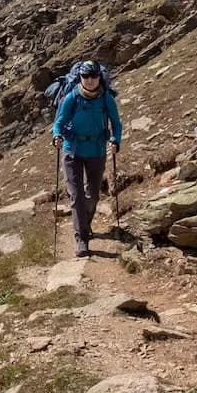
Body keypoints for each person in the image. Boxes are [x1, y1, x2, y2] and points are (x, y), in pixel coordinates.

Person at [52, 62, 123, 258]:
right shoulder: (72, 97)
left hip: (96, 150)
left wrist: (115, 140)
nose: (89, 80)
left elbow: (116, 124)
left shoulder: (106, 99)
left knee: (92, 195)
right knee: (76, 196)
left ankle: (86, 223)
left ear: (99, 77)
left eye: (93, 76)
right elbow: (59, 122)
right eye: (85, 77)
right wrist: (57, 135)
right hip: (71, 150)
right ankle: (81, 238)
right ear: (80, 78)